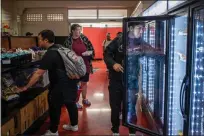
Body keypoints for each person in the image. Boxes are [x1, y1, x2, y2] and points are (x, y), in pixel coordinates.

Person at [104, 22, 164, 135]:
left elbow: (154, 54)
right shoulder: (119, 40)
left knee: (131, 106)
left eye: (143, 29)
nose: (141, 31)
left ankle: (132, 131)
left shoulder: (141, 43)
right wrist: (113, 64)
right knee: (115, 107)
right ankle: (115, 130)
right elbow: (107, 54)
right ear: (131, 28)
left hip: (132, 81)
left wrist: (169, 57)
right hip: (116, 80)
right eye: (139, 28)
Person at [19, 30, 79, 135]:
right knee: (71, 104)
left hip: (58, 86)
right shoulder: (62, 48)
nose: (38, 42)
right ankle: (74, 125)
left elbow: (38, 74)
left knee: (54, 108)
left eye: (39, 39)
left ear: (46, 40)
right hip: (72, 83)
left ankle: (53, 131)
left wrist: (26, 87)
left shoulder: (50, 53)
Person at [63, 24, 95, 109]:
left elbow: (91, 49)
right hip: (74, 66)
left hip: (85, 64)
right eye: (77, 30)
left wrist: (88, 53)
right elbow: (65, 54)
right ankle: (75, 101)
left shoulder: (84, 38)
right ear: (72, 31)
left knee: (84, 83)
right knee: (76, 84)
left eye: (80, 30)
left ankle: (84, 99)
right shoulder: (68, 41)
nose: (79, 32)